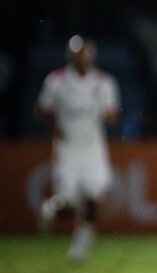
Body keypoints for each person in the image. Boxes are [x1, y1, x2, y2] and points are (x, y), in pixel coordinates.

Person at [36, 34, 120, 264]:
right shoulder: (56, 82)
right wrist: (53, 127)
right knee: (68, 205)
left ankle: (78, 252)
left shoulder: (104, 82)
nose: (82, 57)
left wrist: (111, 117)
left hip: (93, 150)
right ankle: (51, 209)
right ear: (70, 56)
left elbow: (112, 114)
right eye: (78, 53)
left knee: (94, 202)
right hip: (67, 150)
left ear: (91, 55)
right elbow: (42, 110)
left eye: (85, 52)